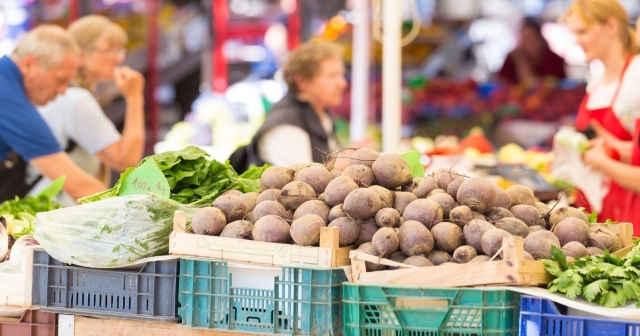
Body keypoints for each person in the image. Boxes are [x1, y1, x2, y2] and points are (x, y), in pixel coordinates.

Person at [27, 15, 145, 205]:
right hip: (54, 216)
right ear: (80, 55)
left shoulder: (68, 96)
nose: (119, 57)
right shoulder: (77, 100)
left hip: (41, 211)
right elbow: (127, 160)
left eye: (119, 49)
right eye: (109, 50)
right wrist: (135, 97)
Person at [230, 41, 372, 172]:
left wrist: (349, 153)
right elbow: (301, 182)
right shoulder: (285, 125)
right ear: (302, 81)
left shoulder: (320, 113)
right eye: (332, 76)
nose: (342, 83)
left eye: (341, 75)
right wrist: (344, 162)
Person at [0, 25, 105, 202]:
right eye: (60, 80)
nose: (63, 91)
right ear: (29, 64)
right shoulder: (7, 97)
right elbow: (79, 186)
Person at [563, 0, 640, 222]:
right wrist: (608, 145)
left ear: (612, 27)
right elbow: (632, 149)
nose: (576, 40)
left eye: (583, 31)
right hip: (598, 204)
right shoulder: (595, 82)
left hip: (628, 207)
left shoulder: (636, 75)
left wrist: (605, 161)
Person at [498, 17, 567, 86]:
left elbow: (535, 87)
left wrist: (522, 63)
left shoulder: (554, 59)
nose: (528, 43)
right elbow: (500, 84)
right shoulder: (512, 57)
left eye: (532, 38)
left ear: (540, 39)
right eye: (525, 38)